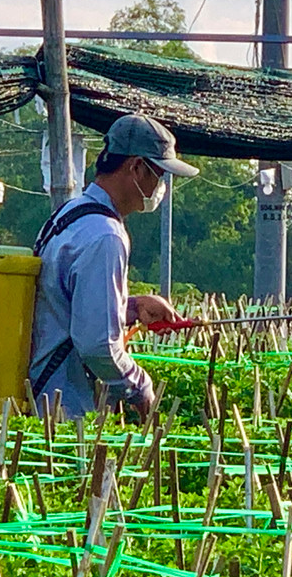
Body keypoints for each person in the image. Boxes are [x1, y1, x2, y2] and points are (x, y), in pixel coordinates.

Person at [29, 113, 199, 420]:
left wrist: (130, 307)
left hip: (36, 396)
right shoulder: (105, 236)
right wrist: (140, 387)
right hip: (63, 410)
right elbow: (97, 346)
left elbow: (63, 303)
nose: (160, 186)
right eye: (157, 174)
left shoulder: (69, 215)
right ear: (135, 167)